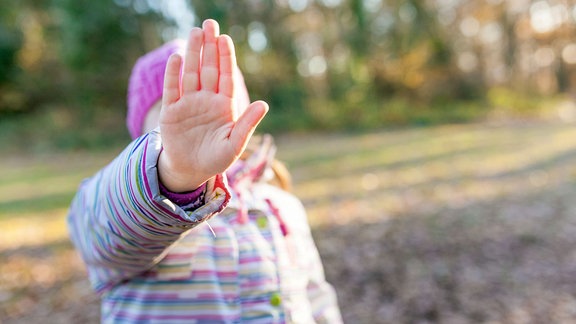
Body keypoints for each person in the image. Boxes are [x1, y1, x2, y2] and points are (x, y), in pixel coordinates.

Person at [67, 19, 342, 323]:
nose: (195, 131)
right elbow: (104, 231)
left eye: (209, 113)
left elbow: (316, 296)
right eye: (169, 116)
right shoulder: (128, 201)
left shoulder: (281, 206)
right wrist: (176, 174)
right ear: (140, 136)